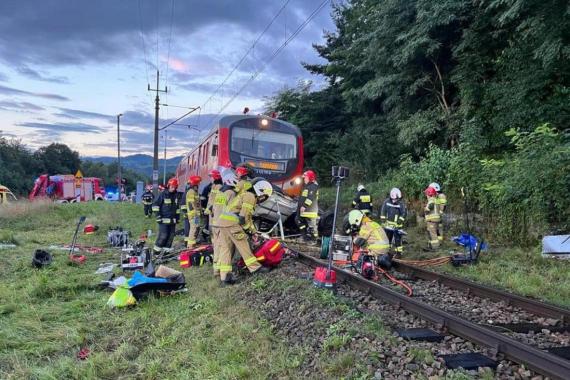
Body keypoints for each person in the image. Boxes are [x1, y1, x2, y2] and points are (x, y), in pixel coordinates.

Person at [216, 177, 273, 286]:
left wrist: (253, 231)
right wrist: (249, 232)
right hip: (232, 224)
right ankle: (255, 268)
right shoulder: (250, 196)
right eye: (264, 196)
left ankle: (225, 278)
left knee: (226, 249)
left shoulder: (244, 195)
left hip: (222, 223)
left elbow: (248, 218)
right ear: (260, 190)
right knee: (243, 245)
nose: (262, 199)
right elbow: (243, 218)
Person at [152, 178, 182, 256]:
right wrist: (158, 216)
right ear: (168, 186)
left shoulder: (176, 195)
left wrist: (177, 218)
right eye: (172, 186)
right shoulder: (162, 194)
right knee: (163, 236)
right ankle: (156, 253)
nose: (173, 188)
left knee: (170, 237)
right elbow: (155, 205)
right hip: (163, 220)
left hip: (173, 221)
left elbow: (177, 208)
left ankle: (166, 253)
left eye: (175, 187)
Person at [204, 169, 224, 276]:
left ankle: (216, 269)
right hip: (215, 221)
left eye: (211, 177)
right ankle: (217, 269)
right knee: (218, 244)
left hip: (214, 220)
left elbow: (214, 203)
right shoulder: (216, 187)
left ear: (215, 177)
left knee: (216, 244)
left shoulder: (217, 188)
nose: (210, 178)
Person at [380, 188, 407, 255]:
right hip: (388, 226)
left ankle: (399, 253)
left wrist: (399, 221)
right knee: (387, 239)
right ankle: (387, 252)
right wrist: (383, 220)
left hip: (397, 226)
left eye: (396, 199)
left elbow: (404, 213)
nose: (394, 200)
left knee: (398, 240)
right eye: (393, 199)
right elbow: (383, 211)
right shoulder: (386, 202)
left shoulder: (401, 204)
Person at [296, 170, 319, 244]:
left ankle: (314, 240)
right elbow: (303, 197)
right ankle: (305, 237)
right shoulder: (307, 186)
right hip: (304, 210)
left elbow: (310, 197)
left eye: (305, 178)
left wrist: (304, 206)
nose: (304, 179)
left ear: (310, 178)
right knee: (298, 220)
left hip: (310, 210)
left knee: (312, 226)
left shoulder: (313, 186)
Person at [424, 182, 446, 250]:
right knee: (437, 231)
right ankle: (437, 244)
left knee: (434, 232)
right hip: (437, 217)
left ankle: (436, 247)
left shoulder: (438, 197)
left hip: (435, 218)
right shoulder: (437, 196)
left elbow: (440, 206)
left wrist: (426, 209)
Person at [184, 175, 202, 248]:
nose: (199, 184)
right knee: (193, 228)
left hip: (196, 215)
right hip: (193, 214)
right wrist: (197, 210)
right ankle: (190, 245)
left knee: (196, 227)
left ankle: (193, 243)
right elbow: (192, 203)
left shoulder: (195, 191)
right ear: (196, 183)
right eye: (199, 183)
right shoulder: (191, 192)